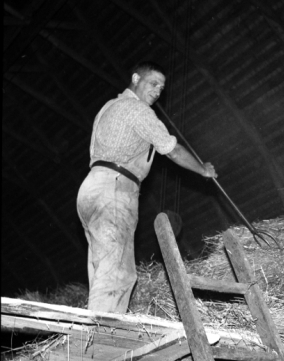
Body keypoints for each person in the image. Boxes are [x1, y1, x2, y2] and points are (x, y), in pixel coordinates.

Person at [77, 61, 217, 314]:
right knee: (118, 271)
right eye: (153, 83)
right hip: (116, 188)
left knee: (101, 266)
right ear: (135, 79)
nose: (157, 91)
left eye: (161, 88)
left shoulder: (108, 107)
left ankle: (95, 320)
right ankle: (103, 330)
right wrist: (202, 170)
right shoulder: (137, 110)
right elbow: (172, 151)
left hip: (92, 187)